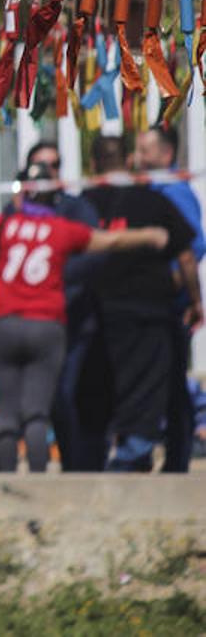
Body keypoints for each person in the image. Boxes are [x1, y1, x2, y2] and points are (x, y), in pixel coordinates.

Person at [0, 162, 168, 473]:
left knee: (6, 412)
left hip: (4, 324)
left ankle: (6, 483)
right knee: (37, 413)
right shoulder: (61, 229)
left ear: (21, 196)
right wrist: (150, 235)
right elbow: (109, 240)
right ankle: (39, 486)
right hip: (46, 325)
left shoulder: (3, 225)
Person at [83, 136, 202, 472]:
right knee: (147, 383)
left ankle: (117, 455)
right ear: (131, 161)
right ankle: (133, 453)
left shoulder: (83, 202)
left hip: (100, 308)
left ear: (93, 165)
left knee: (108, 382)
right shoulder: (152, 199)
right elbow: (187, 255)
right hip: (149, 307)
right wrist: (194, 300)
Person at [16, 141, 107, 472]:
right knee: (38, 401)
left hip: (72, 319)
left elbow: (95, 253)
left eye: (53, 166)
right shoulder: (17, 211)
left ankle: (75, 465)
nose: (46, 173)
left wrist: (54, 276)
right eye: (40, 166)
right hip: (29, 322)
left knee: (65, 393)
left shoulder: (76, 208)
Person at [134, 125, 206, 473]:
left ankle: (176, 460)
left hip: (171, 307)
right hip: (154, 305)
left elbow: (194, 245)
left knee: (173, 385)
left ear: (165, 154)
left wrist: (173, 284)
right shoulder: (148, 189)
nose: (138, 159)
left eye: (145, 151)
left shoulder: (174, 190)